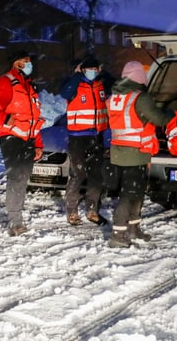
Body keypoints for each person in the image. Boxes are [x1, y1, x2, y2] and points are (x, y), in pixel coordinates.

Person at [107, 61, 174, 248]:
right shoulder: (140, 97)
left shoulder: (115, 97)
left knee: (135, 191)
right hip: (135, 152)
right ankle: (118, 234)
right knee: (130, 193)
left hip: (120, 152)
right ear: (139, 77)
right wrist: (171, 112)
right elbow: (158, 118)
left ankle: (134, 228)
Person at [0, 50, 44, 236]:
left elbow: (35, 118)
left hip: (29, 139)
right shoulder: (5, 82)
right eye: (26, 61)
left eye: (30, 61)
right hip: (11, 138)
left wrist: (38, 143)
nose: (30, 64)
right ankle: (15, 221)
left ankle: (17, 215)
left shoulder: (30, 87)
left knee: (23, 178)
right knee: (16, 177)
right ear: (16, 64)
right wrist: (3, 118)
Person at [60, 56, 112, 226]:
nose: (93, 72)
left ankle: (92, 210)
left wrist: (106, 140)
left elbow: (116, 82)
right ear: (82, 70)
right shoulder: (76, 85)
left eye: (96, 70)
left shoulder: (101, 85)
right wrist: (76, 75)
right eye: (89, 69)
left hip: (96, 137)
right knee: (79, 174)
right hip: (78, 139)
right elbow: (65, 92)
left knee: (96, 176)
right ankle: (72, 210)